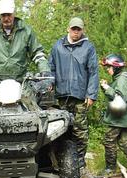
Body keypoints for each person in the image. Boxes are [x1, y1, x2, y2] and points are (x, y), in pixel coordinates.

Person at [0, 0, 51, 112]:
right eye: (3, 15)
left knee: (37, 112)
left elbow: (38, 53)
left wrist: (45, 72)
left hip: (21, 82)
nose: (6, 18)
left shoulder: (26, 31)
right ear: (0, 15)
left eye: (9, 15)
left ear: (14, 14)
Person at [48, 17, 99, 168]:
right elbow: (50, 67)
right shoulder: (58, 46)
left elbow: (93, 72)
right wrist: (50, 83)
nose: (76, 32)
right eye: (73, 29)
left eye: (79, 29)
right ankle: (61, 163)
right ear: (68, 29)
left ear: (82, 30)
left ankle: (80, 163)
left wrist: (91, 94)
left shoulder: (88, 47)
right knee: (60, 129)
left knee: (80, 130)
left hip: (80, 96)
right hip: (62, 96)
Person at [100, 54, 127, 174]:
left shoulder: (122, 80)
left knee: (108, 140)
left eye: (109, 67)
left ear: (116, 67)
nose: (107, 69)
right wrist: (107, 87)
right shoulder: (121, 78)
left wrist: (106, 87)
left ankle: (110, 169)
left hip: (118, 118)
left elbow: (119, 98)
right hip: (123, 117)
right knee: (124, 143)